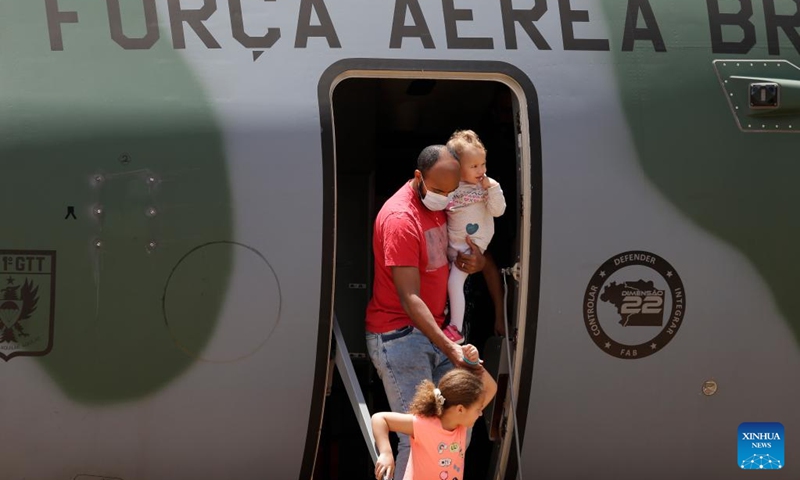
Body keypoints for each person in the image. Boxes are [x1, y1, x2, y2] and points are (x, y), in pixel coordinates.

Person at [365, 145, 487, 479]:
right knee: (416, 436)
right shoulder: (400, 219)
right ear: (418, 178)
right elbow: (409, 297)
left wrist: (478, 263)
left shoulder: (443, 202)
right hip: (400, 335)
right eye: (437, 191)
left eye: (451, 191)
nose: (445, 198)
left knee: (461, 426)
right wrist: (449, 346)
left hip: (437, 331)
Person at [371, 345, 498, 480]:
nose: (480, 414)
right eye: (478, 410)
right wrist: (386, 453)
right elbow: (380, 419)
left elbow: (492, 388)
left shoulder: (461, 425)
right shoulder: (423, 424)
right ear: (460, 409)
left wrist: (475, 364)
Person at [442, 130, 506, 344]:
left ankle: (456, 328)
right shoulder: (451, 188)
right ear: (457, 167)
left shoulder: (487, 187)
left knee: (454, 284)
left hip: (470, 249)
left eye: (483, 164)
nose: (481, 170)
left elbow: (498, 211)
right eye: (474, 166)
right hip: (452, 248)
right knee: (447, 282)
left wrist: (493, 189)